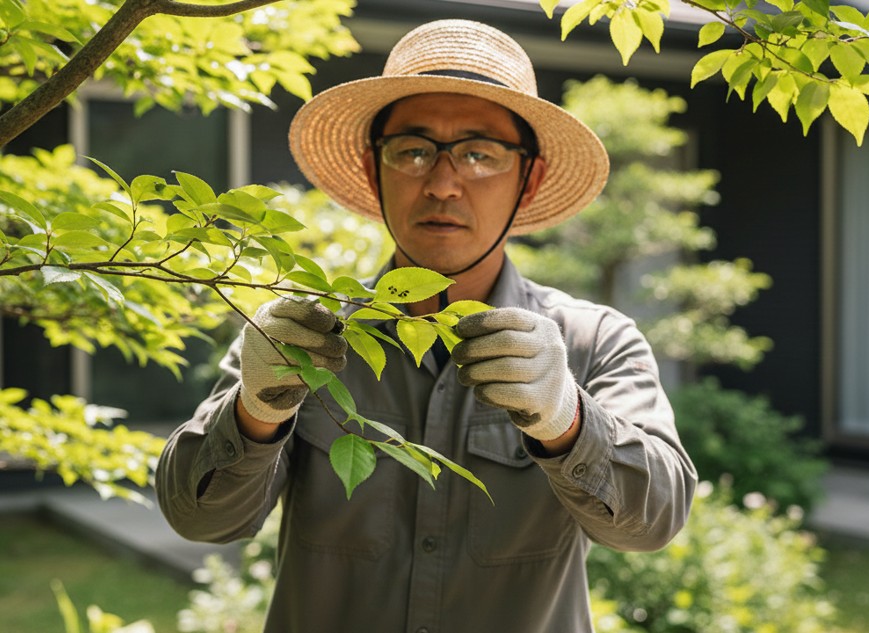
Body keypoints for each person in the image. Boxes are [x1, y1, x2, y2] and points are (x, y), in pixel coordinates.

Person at [156, 19, 697, 633]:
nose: (442, 184)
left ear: (531, 178)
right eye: (412, 151)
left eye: (479, 154)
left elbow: (653, 523)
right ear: (372, 169)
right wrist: (256, 410)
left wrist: (566, 419)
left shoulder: (595, 342)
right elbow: (199, 519)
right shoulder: (298, 335)